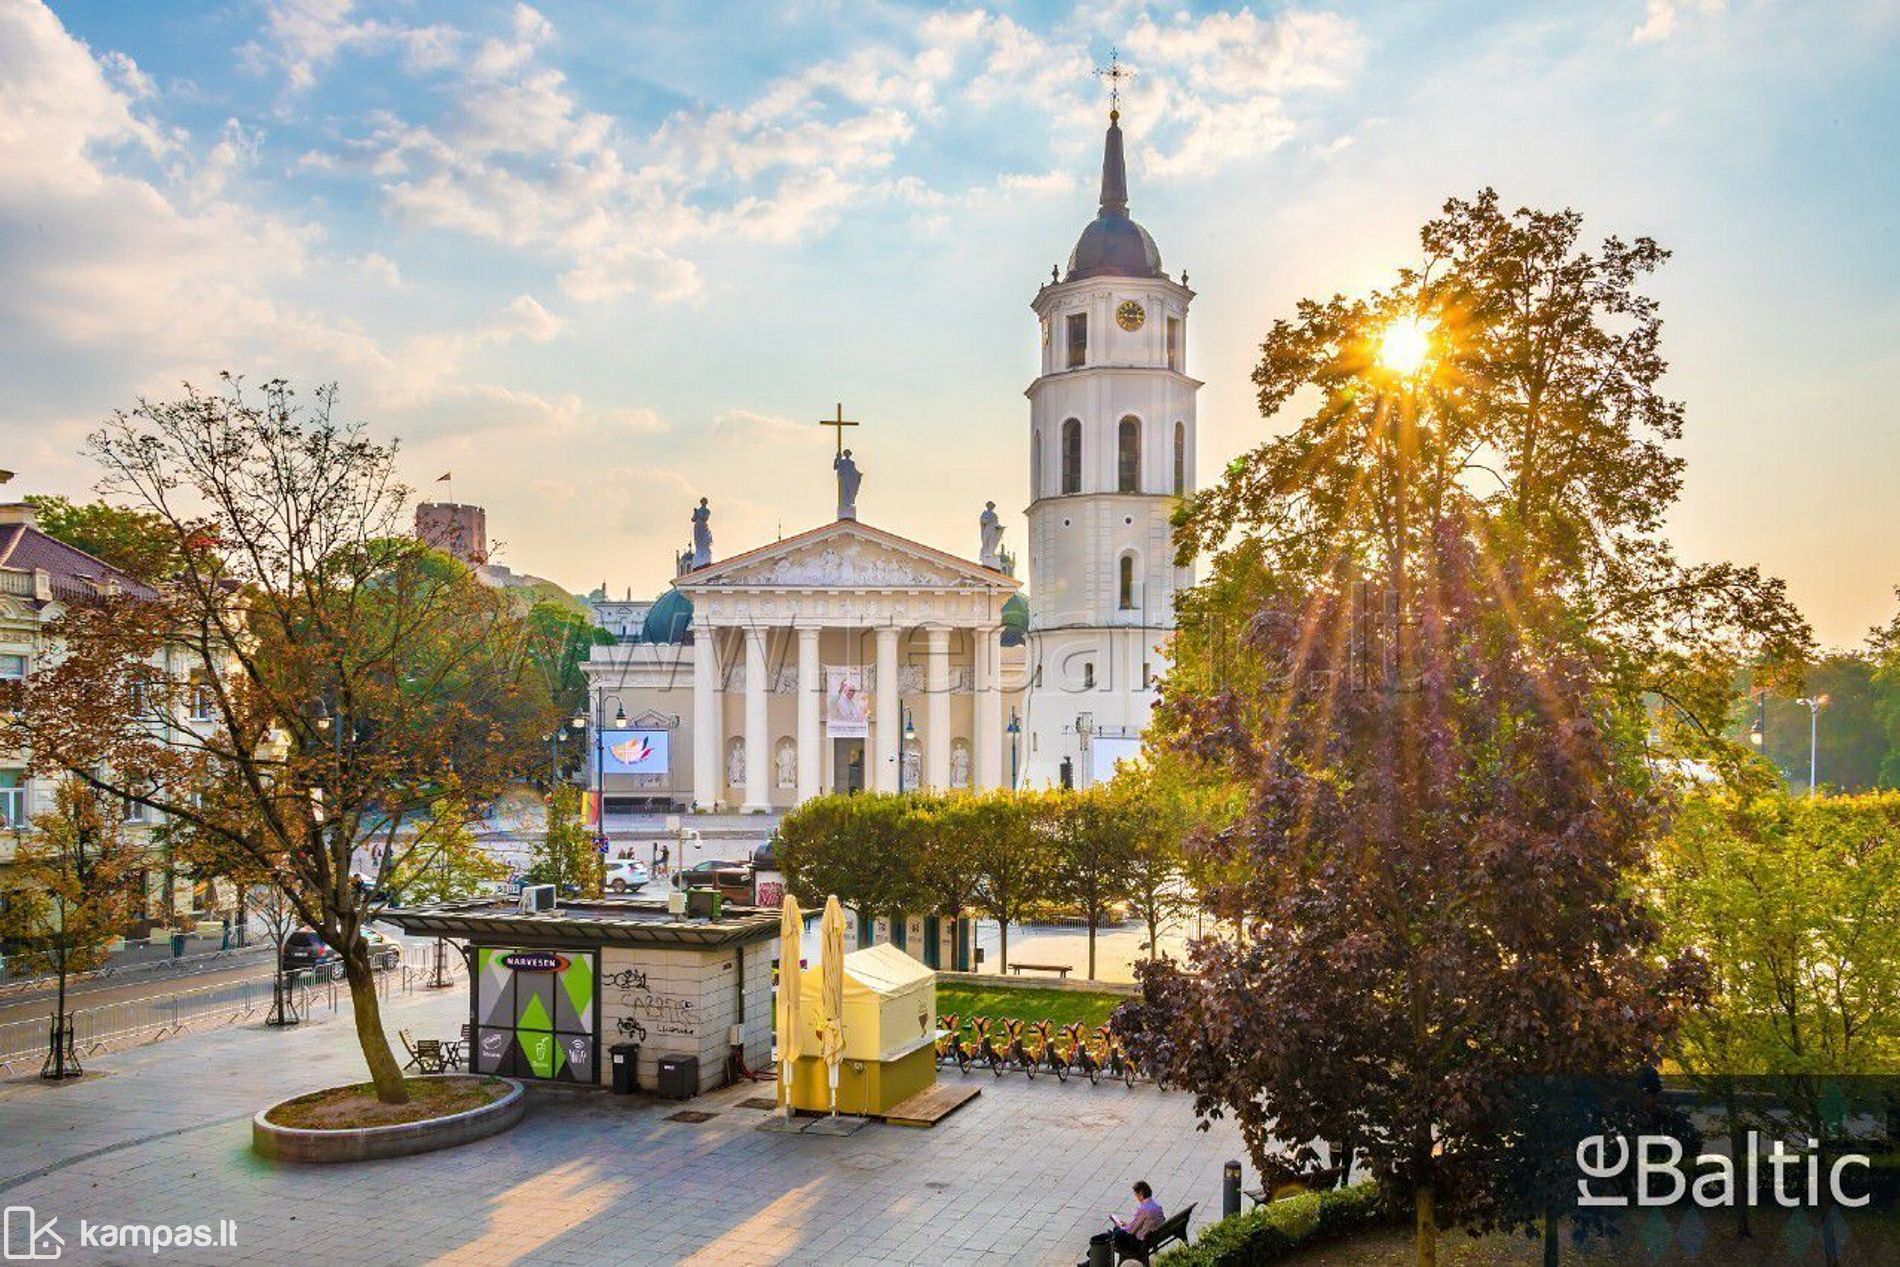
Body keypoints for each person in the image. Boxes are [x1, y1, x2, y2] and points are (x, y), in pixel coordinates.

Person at [1109, 1181, 1164, 1258]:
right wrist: (1127, 1224)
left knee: (1117, 1233)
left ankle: (1112, 1236)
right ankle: (1112, 1235)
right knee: (1115, 1233)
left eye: (1136, 1195)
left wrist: (1120, 1226)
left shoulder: (1144, 1208)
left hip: (1140, 1243)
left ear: (1141, 1194)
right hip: (1153, 1237)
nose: (1136, 1197)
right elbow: (1140, 1224)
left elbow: (1131, 1231)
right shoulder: (1157, 1206)